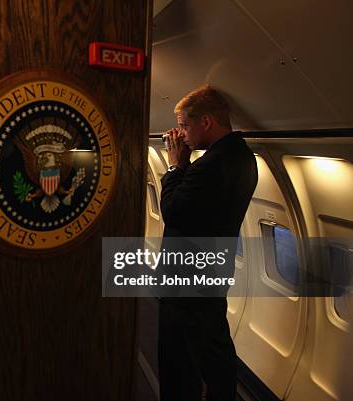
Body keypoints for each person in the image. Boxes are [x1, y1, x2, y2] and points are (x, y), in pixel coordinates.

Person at [158, 85, 258, 401]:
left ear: (206, 122)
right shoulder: (241, 157)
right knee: (215, 346)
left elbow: (174, 212)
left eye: (185, 126)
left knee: (179, 357)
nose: (181, 134)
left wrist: (175, 166)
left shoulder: (210, 166)